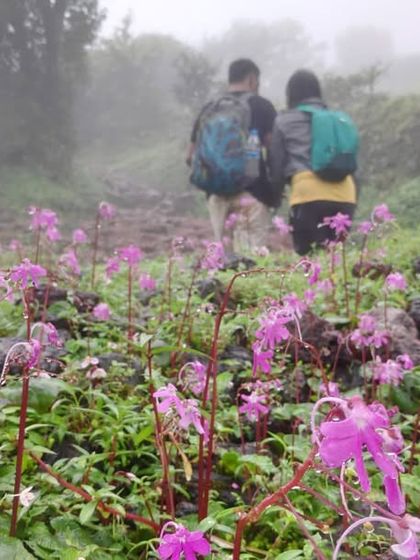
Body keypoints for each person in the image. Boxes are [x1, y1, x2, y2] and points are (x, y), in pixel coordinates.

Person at [187, 59, 279, 253]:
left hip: (216, 196)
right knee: (251, 261)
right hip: (252, 192)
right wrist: (276, 189)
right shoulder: (262, 106)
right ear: (252, 79)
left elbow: (190, 156)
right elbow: (274, 152)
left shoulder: (210, 108)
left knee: (224, 262)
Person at [270, 69, 358, 255]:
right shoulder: (336, 119)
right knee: (336, 259)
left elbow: (276, 164)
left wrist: (275, 196)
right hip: (345, 194)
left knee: (310, 260)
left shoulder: (284, 120)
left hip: (307, 195)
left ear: (290, 94)